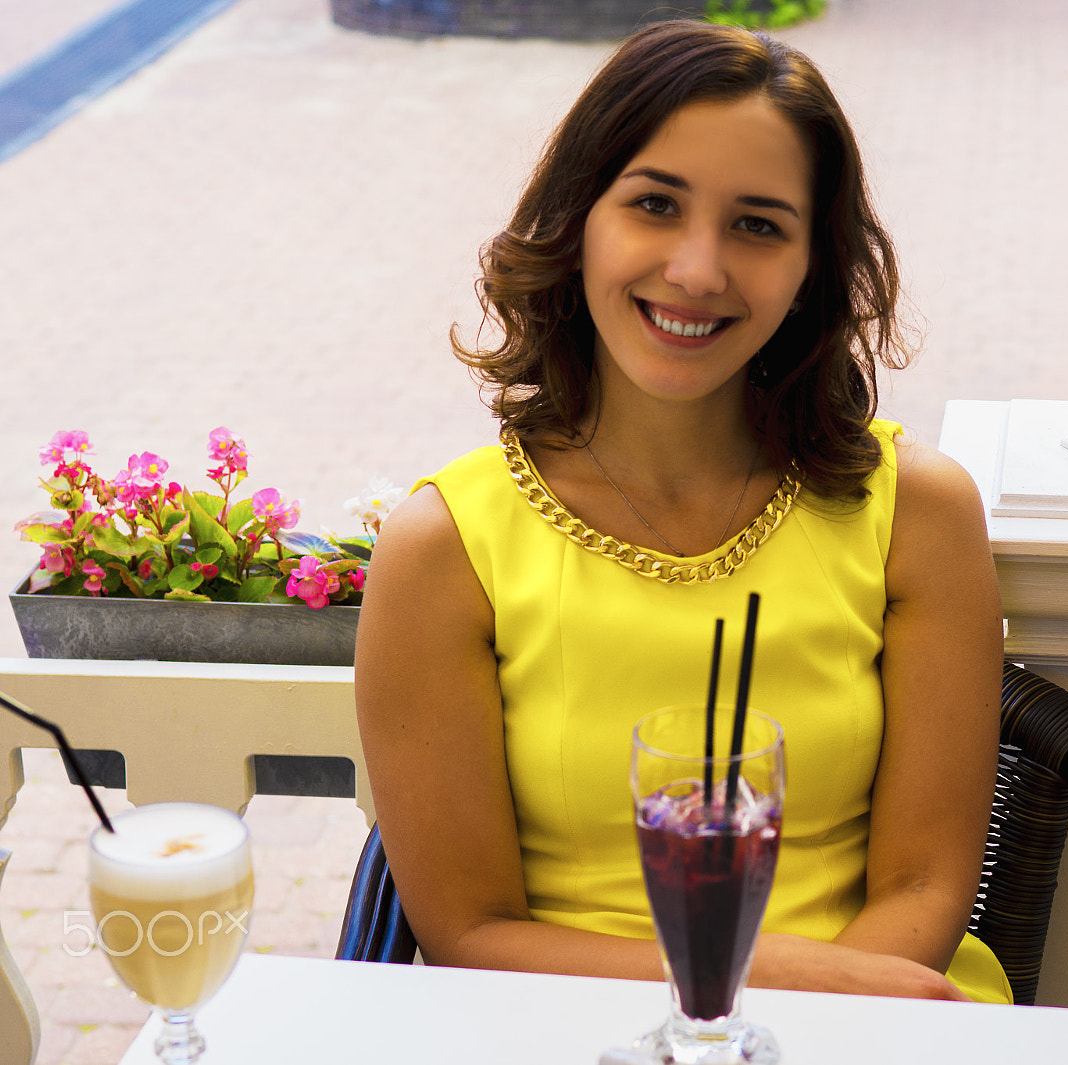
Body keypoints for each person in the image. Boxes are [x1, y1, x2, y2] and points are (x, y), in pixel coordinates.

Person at [353, 19, 1009, 1005]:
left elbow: (924, 885)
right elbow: (468, 932)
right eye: (655, 205)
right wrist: (739, 983)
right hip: (573, 1029)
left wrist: (789, 1012)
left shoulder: (916, 512)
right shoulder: (445, 550)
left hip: (873, 1016)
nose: (697, 271)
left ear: (809, 273)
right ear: (579, 223)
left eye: (757, 225)